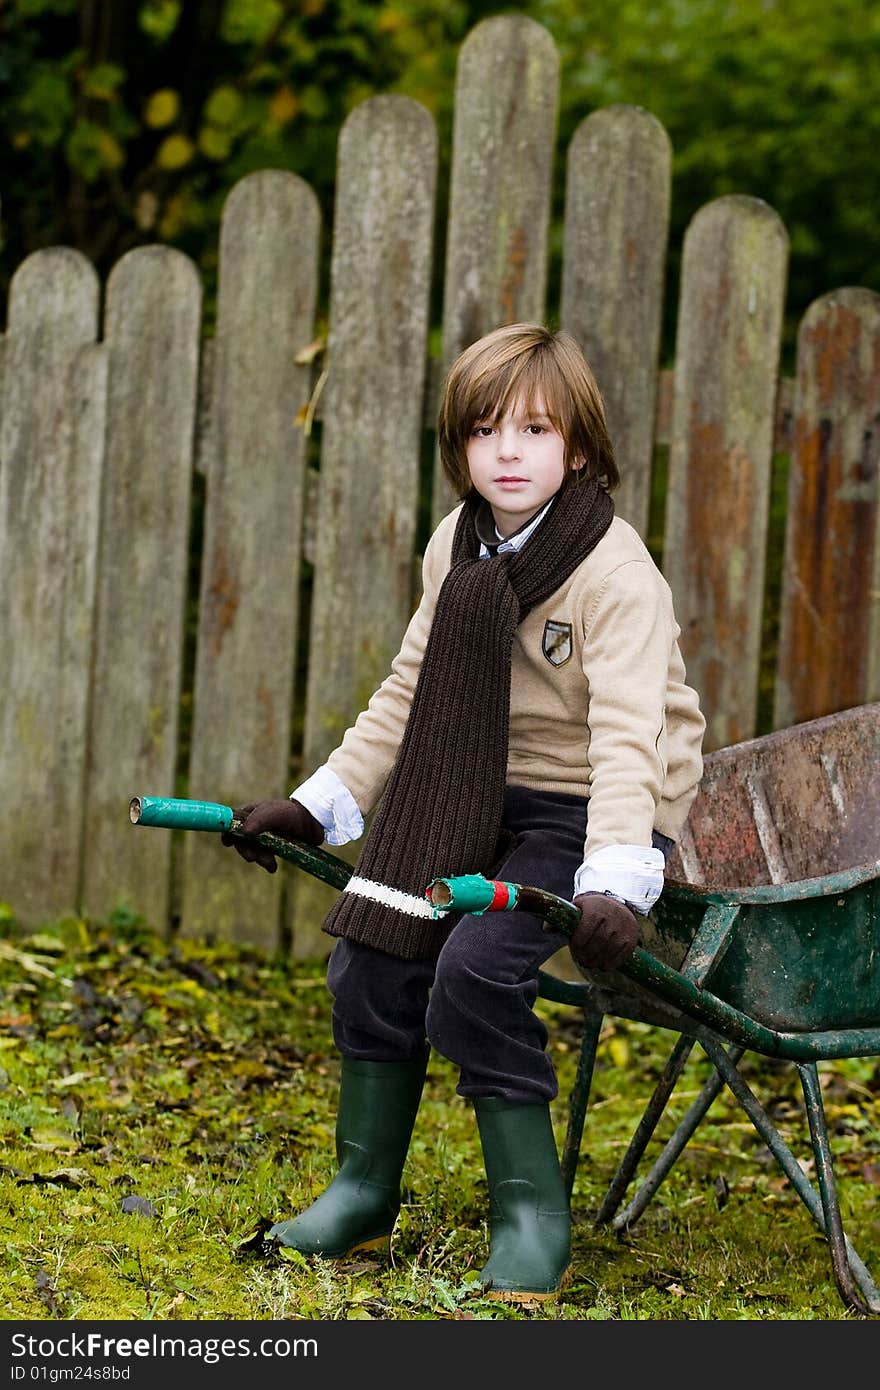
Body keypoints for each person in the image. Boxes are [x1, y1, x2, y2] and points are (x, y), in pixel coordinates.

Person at [224, 322, 705, 1303]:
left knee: (475, 970)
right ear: (460, 449)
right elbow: (409, 687)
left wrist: (614, 872)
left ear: (578, 448)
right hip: (473, 780)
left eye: (534, 429)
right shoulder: (460, 541)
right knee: (370, 957)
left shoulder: (613, 573)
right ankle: (362, 1191)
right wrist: (320, 806)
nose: (508, 452)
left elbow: (628, 735)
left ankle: (531, 1216)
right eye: (485, 431)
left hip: (589, 808)